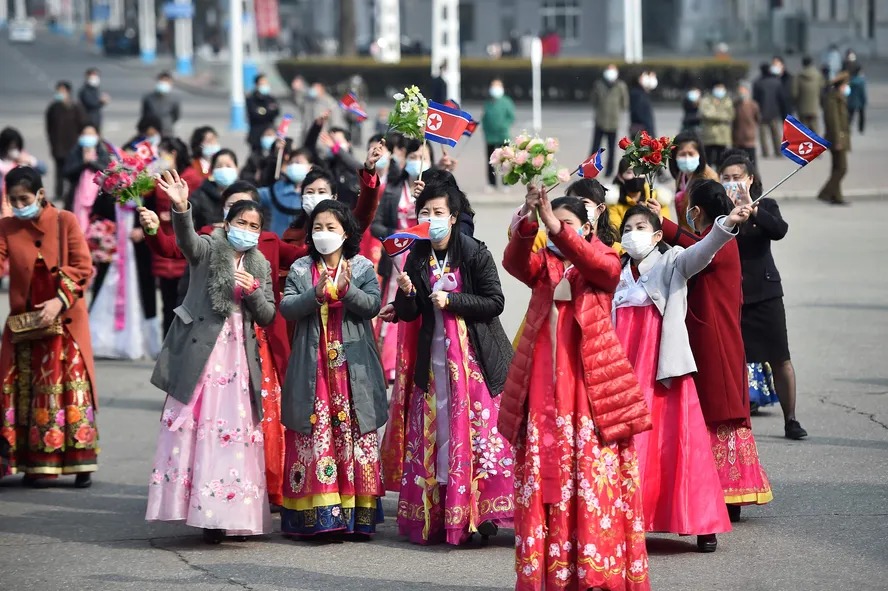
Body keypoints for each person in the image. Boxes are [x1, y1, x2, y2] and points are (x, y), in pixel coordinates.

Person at [500, 188, 651, 590]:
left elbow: (602, 270)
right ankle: (551, 575)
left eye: (567, 224)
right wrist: (531, 219)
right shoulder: (543, 265)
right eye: (554, 224)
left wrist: (558, 229)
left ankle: (595, 574)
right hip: (543, 389)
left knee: (592, 479)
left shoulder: (603, 258)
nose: (557, 231)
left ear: (586, 227)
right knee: (544, 476)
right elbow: (513, 261)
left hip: (590, 392)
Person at [142, 180, 298, 507]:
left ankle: (227, 503)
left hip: (239, 354)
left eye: (254, 226)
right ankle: (192, 499)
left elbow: (269, 314)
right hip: (203, 350)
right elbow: (185, 242)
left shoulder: (258, 264)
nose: (247, 230)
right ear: (226, 224)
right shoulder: (210, 247)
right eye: (241, 223)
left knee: (234, 428)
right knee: (196, 424)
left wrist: (254, 290)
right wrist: (182, 207)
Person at [387, 175, 514, 546]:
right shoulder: (417, 254)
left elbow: (495, 302)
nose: (432, 218)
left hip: (473, 362)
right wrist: (406, 298)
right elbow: (413, 313)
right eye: (425, 212)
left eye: (438, 212)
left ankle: (479, 518)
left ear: (454, 216)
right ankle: (442, 512)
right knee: (439, 435)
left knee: (477, 437)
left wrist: (455, 301)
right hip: (435, 363)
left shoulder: (474, 251)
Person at [615, 203, 745, 552]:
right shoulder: (615, 270)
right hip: (623, 369)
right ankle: (629, 521)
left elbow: (701, 253)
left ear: (657, 235)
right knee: (631, 447)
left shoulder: (672, 261)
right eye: (628, 228)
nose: (633, 234)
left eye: (641, 227)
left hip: (663, 367)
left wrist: (725, 225)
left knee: (680, 444)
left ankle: (701, 524)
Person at [649, 180, 773, 522]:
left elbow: (694, 249)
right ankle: (721, 492)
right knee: (716, 408)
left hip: (715, 336)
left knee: (720, 412)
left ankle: (728, 493)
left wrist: (663, 224)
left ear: (698, 211)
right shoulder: (718, 238)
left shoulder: (720, 238)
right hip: (714, 332)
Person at [278, 200, 386, 538]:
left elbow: (372, 306)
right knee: (316, 433)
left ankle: (357, 517)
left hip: (353, 369)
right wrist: (316, 294)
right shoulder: (299, 268)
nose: (323, 234)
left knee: (355, 433)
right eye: (317, 228)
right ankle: (317, 517)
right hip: (315, 368)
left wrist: (346, 290)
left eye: (331, 228)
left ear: (346, 233)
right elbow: (287, 308)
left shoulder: (363, 266)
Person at [0, 166, 98, 488]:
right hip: (26, 323)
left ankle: (80, 462)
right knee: (20, 392)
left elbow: (83, 265)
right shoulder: (6, 227)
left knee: (71, 392)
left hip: (65, 319)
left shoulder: (64, 220)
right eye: (13, 200)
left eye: (24, 198)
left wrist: (59, 300)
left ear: (41, 194)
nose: (18, 205)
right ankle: (32, 462)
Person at [720, 151, 807, 440]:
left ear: (750, 179)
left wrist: (753, 210)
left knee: (780, 357)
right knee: (735, 359)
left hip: (766, 292)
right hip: (732, 294)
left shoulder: (765, 204)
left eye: (737, 178)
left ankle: (791, 419)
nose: (732, 183)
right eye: (727, 178)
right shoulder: (719, 209)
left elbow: (779, 230)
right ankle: (737, 418)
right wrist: (730, 217)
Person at [369, 138, 429, 382]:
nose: (417, 163)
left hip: (424, 254)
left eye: (422, 158)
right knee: (396, 304)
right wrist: (394, 236)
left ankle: (419, 357)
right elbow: (377, 224)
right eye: (413, 158)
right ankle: (389, 363)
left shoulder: (434, 191)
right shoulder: (393, 188)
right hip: (397, 255)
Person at [146, 137, 190, 336]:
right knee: (167, 303)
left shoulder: (190, 177)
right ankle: (167, 344)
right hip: (164, 245)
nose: (159, 158)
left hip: (184, 248)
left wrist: (176, 211)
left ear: (173, 154)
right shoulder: (157, 179)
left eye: (162, 153)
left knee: (184, 305)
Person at [606, 156, 674, 235]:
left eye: (640, 172)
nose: (636, 176)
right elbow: (616, 232)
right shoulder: (614, 202)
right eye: (629, 172)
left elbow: (666, 231)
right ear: (620, 176)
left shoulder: (656, 199)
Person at [257, 144, 314, 237]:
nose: (294, 165)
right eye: (291, 162)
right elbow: (253, 195)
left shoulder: (316, 193)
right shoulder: (277, 189)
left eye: (299, 162)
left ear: (310, 167)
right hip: (276, 244)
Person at [669, 132, 720, 231]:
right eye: (682, 154)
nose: (687, 158)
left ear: (700, 154)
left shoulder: (709, 179)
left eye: (691, 154)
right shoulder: (682, 174)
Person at [45, 81, 87, 200]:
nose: (60, 93)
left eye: (62, 91)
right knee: (59, 172)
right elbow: (49, 127)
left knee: (72, 171)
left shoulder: (75, 107)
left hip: (72, 145)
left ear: (68, 92)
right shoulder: (53, 108)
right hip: (58, 145)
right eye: (58, 91)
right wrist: (52, 143)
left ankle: (72, 193)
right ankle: (59, 193)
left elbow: (83, 125)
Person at [63, 124, 112, 224]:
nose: (88, 137)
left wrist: (92, 163)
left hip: (99, 198)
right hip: (77, 196)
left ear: (97, 136)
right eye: (85, 134)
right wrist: (83, 163)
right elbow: (67, 172)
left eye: (91, 134)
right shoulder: (75, 152)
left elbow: (107, 170)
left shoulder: (102, 152)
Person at [817, 72, 851, 206]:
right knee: (842, 168)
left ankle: (836, 196)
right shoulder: (833, 99)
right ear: (840, 86)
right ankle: (825, 192)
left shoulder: (838, 98)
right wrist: (838, 140)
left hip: (839, 138)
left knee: (836, 167)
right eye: (845, 85)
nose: (847, 87)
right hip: (837, 138)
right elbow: (833, 122)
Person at [0, 128, 48, 219]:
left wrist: (31, 161)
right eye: (10, 147)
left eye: (16, 147)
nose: (14, 151)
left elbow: (43, 169)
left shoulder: (23, 158)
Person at [591, 64, 629, 177]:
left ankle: (609, 170)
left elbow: (625, 103)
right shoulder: (598, 85)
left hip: (613, 122)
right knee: (595, 148)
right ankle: (591, 168)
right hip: (600, 121)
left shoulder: (621, 86)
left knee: (612, 149)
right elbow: (594, 100)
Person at [191, 149, 240, 229]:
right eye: (219, 166)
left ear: (237, 169)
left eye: (228, 166)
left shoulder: (244, 193)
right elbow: (185, 212)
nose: (224, 170)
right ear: (212, 171)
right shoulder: (201, 193)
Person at [481, 78, 516, 192]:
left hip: (503, 134)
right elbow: (484, 118)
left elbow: (511, 117)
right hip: (490, 136)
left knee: (505, 160)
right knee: (491, 160)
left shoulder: (507, 101)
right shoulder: (488, 103)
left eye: (497, 86)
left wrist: (503, 126)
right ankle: (491, 183)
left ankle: (506, 182)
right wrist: (486, 130)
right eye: (493, 86)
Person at [752, 63, 787, 159]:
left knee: (763, 134)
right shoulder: (777, 82)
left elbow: (755, 99)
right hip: (775, 112)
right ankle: (778, 152)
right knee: (776, 133)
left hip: (762, 112)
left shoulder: (757, 83)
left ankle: (765, 152)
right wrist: (784, 112)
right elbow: (781, 98)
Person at [699, 82, 735, 167]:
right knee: (708, 160)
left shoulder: (727, 100)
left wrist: (715, 115)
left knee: (721, 160)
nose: (720, 90)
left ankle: (719, 178)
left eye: (721, 88)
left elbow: (731, 115)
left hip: (723, 136)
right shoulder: (706, 100)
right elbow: (706, 114)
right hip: (709, 135)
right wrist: (721, 116)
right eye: (718, 88)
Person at [246, 74, 281, 151]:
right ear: (257, 85)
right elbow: (255, 114)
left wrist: (265, 111)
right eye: (262, 83)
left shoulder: (271, 98)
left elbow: (276, 111)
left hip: (270, 132)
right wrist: (268, 110)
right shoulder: (251, 99)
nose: (265, 85)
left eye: (266, 83)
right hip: (256, 134)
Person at [140, 71, 180, 137]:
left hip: (167, 131)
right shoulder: (149, 98)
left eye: (166, 81)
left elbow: (176, 115)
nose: (163, 83)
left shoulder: (174, 99)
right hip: (151, 131)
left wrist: (167, 123)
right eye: (162, 80)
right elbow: (145, 114)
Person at [793, 56, 826, 134]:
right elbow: (822, 89)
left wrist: (796, 103)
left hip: (802, 108)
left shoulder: (798, 76)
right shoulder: (818, 75)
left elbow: (794, 93)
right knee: (815, 129)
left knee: (803, 131)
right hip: (814, 107)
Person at [182, 126, 220, 192]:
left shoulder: (221, 163)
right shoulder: (192, 165)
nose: (213, 144)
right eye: (209, 141)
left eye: (215, 140)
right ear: (199, 144)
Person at [732, 81, 761, 166]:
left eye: (744, 90)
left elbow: (757, 119)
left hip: (749, 138)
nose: (742, 92)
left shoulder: (753, 105)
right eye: (740, 90)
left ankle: (754, 179)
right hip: (737, 138)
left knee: (752, 163)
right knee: (738, 162)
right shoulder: (736, 105)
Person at [78, 68, 109, 132]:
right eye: (93, 75)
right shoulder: (85, 90)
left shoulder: (95, 89)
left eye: (96, 76)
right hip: (89, 120)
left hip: (95, 119)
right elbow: (91, 104)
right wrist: (102, 101)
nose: (95, 78)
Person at [629, 70, 657, 137]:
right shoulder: (637, 93)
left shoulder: (643, 92)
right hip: (642, 130)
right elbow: (639, 114)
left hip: (644, 129)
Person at [848, 65, 867, 134]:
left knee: (850, 116)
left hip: (851, 101)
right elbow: (862, 92)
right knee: (861, 116)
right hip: (860, 101)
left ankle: (848, 128)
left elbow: (847, 91)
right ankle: (861, 129)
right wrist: (864, 100)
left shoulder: (851, 80)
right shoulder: (861, 81)